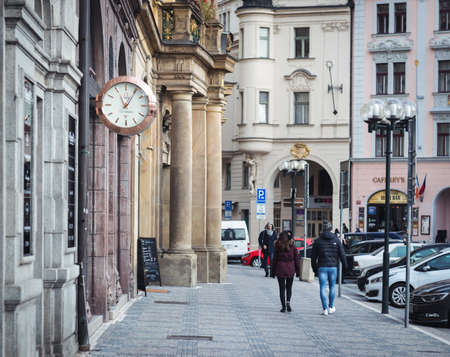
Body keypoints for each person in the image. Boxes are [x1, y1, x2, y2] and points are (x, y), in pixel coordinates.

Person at [311, 220, 348, 316]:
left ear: (322, 229)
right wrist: (345, 266)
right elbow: (342, 254)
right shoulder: (336, 240)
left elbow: (313, 257)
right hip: (333, 267)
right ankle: (331, 306)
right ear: (331, 229)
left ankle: (325, 309)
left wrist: (314, 269)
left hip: (322, 267)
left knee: (322, 287)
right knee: (332, 287)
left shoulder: (318, 241)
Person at [271, 231, 300, 312]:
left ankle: (283, 307)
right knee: (289, 287)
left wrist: (272, 272)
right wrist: (298, 271)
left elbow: (274, 260)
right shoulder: (293, 246)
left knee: (282, 288)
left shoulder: (278, 246)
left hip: (280, 269)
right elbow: (296, 259)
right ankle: (288, 302)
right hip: (290, 269)